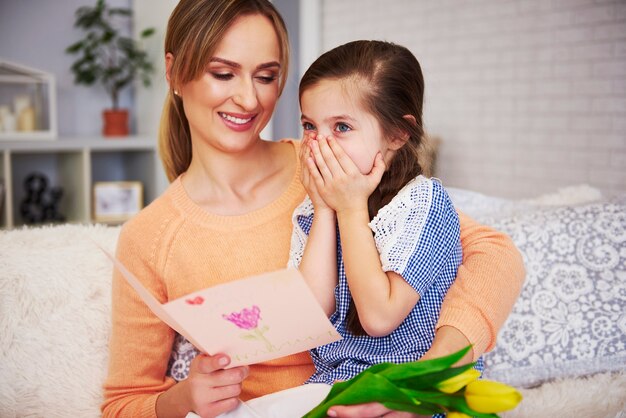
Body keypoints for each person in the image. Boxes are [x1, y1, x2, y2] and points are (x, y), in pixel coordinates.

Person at [101, 1, 524, 417]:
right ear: (174, 72)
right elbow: (123, 403)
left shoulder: (334, 164)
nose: (248, 99)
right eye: (223, 73)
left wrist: (426, 378)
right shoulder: (150, 237)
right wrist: (185, 398)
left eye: (266, 76)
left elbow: (493, 252)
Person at [289, 39, 481, 391]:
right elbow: (310, 318)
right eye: (309, 126)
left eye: (342, 127)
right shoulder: (315, 207)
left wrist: (350, 209)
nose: (318, 144)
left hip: (410, 389)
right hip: (335, 384)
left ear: (396, 133)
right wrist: (323, 210)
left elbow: (379, 317)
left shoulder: (423, 202)